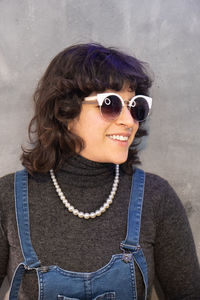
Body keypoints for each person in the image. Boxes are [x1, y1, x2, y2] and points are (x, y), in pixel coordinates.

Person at [0, 43, 200, 300]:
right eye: (110, 104)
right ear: (65, 112)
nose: (129, 121)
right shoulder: (8, 198)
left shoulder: (155, 198)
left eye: (135, 106)